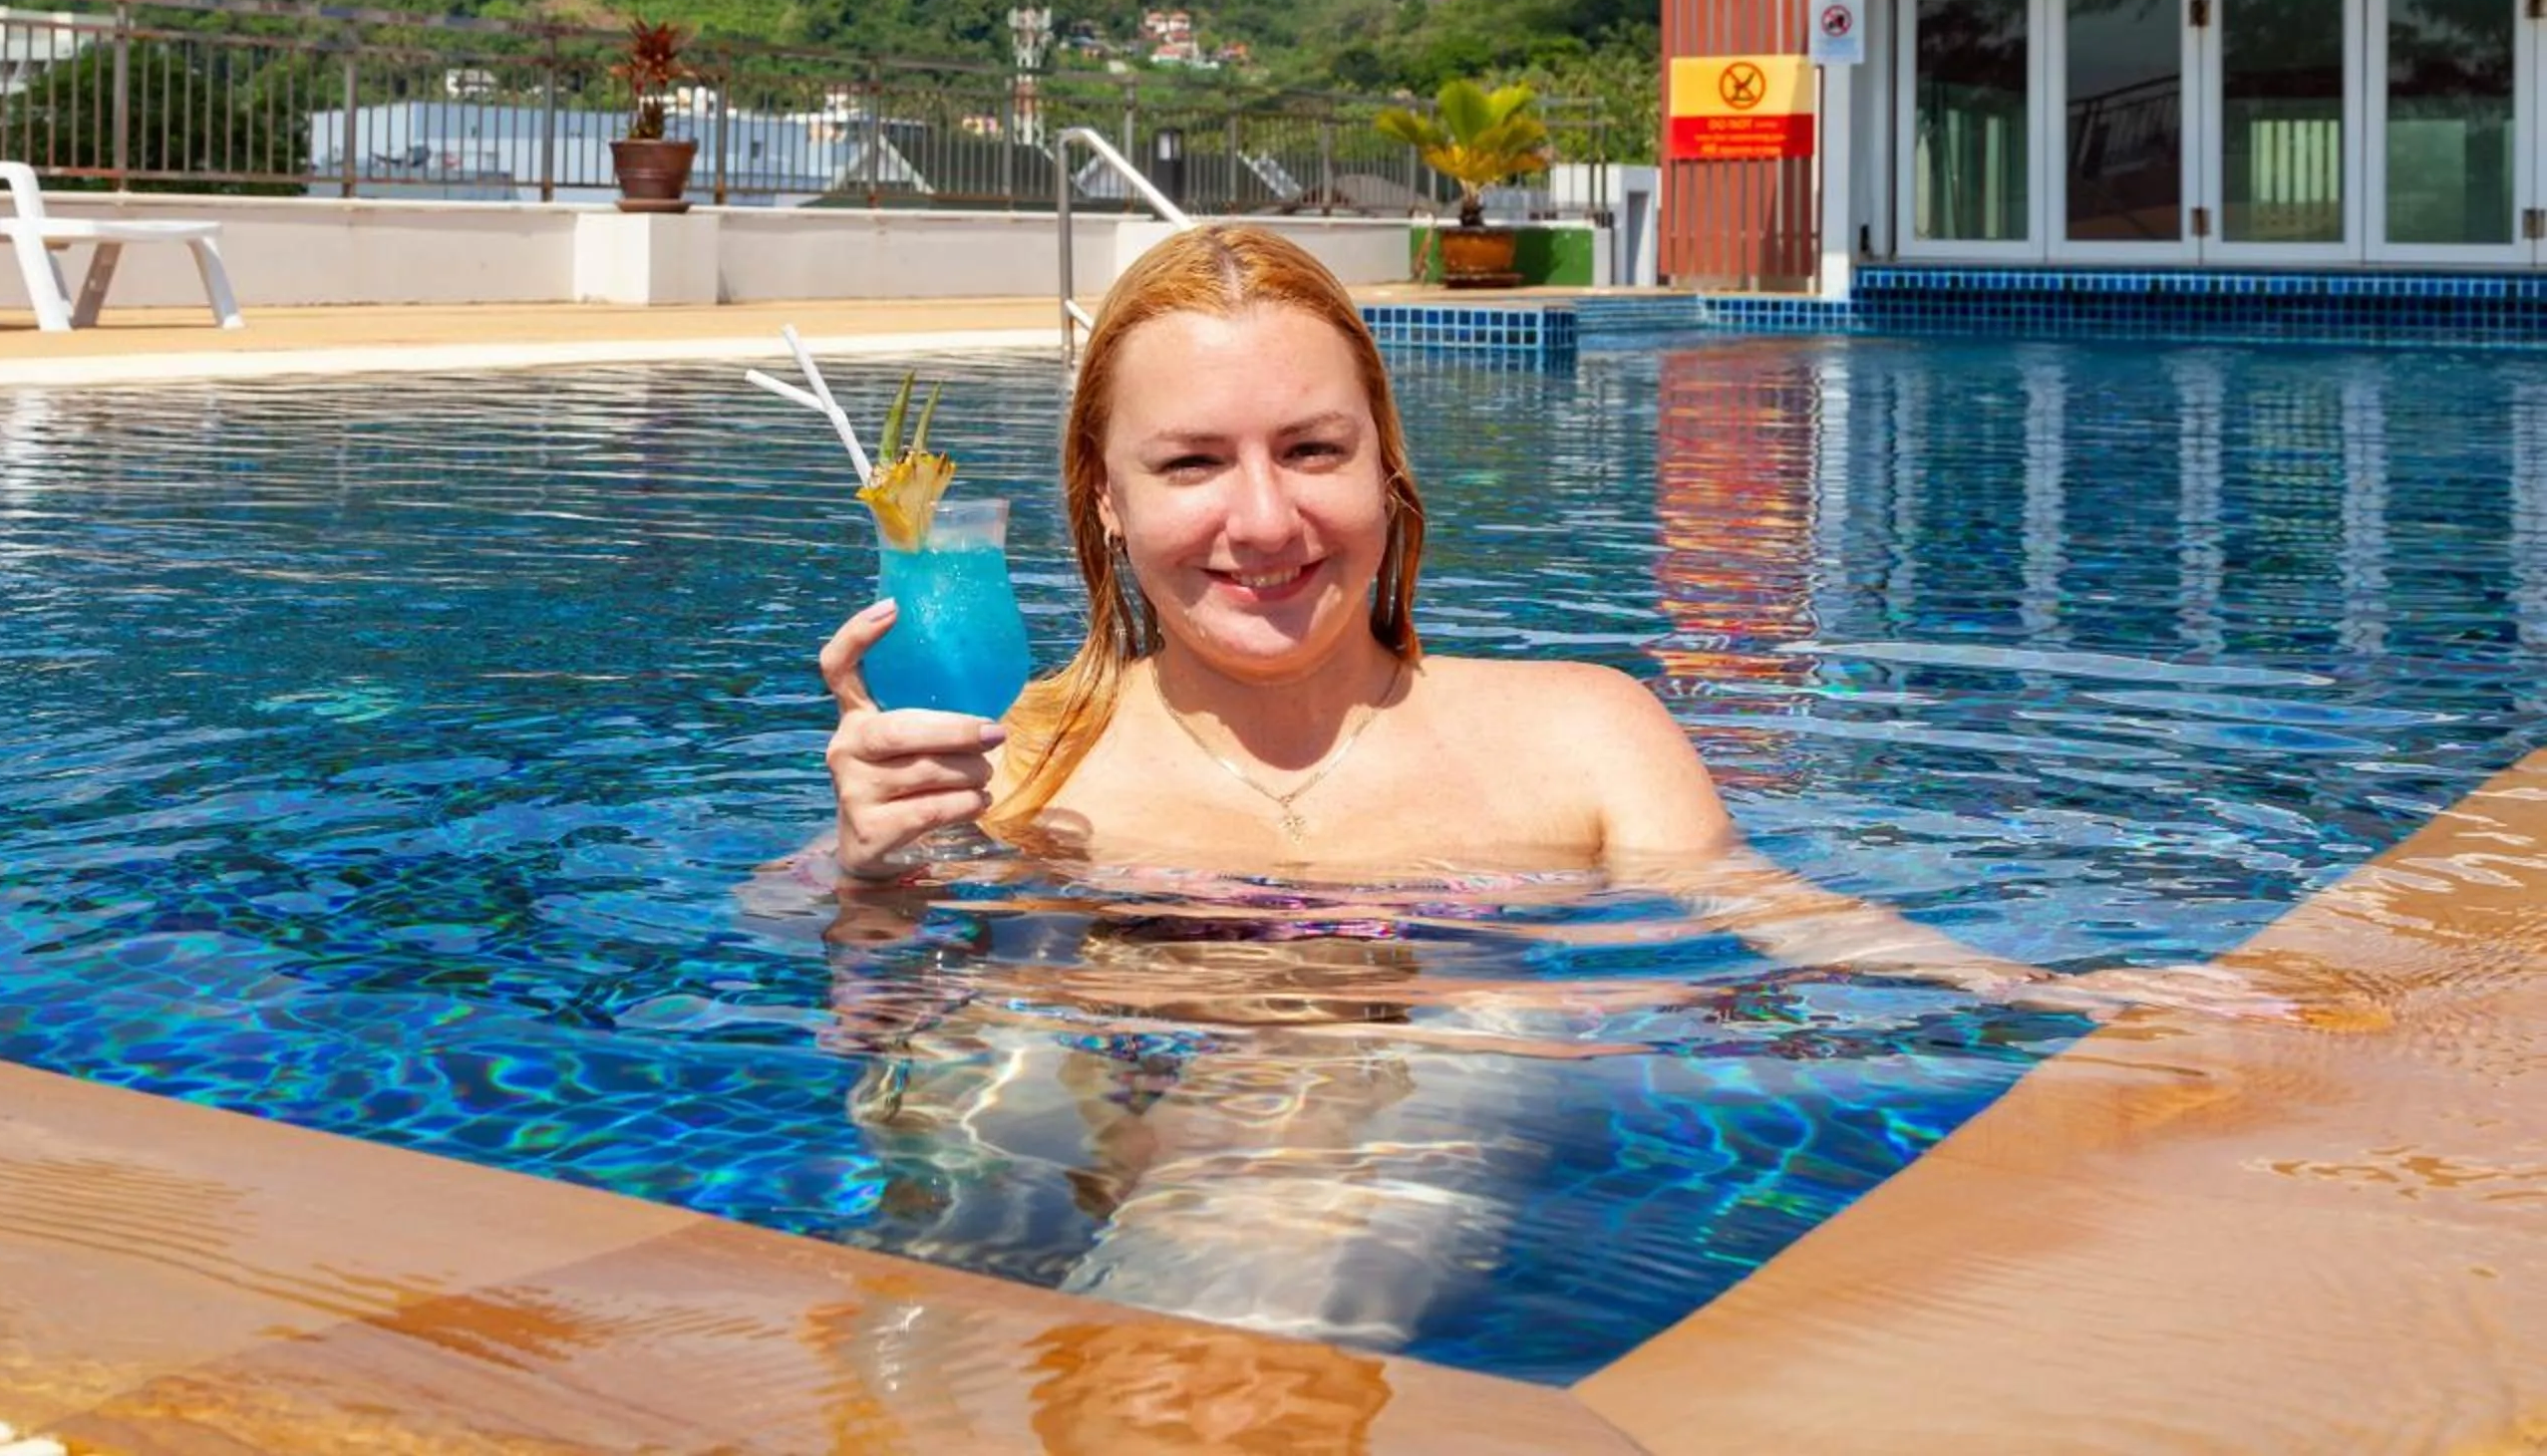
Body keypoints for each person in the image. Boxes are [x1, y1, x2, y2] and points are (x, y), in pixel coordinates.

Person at [805, 222, 2289, 1346]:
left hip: (1351, 1162)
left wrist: (2052, 992)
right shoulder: (1010, 750)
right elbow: (852, 985)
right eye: (1193, 464)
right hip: (1056, 1124)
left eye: (1312, 449)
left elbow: (1775, 915)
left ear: (1386, 466)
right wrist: (864, 867)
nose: (1265, 519)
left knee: (1477, 1028)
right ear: (1108, 504)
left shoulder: (1583, 736)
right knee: (987, 1054)